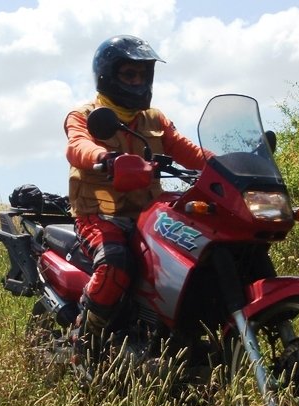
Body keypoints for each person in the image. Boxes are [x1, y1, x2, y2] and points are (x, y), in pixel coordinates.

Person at [64, 34, 209, 352]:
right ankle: (84, 338)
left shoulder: (154, 120)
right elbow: (78, 146)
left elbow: (191, 152)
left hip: (150, 214)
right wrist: (104, 157)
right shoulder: (85, 115)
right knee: (115, 264)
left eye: (143, 74)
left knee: (199, 251)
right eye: (129, 74)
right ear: (108, 75)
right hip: (100, 214)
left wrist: (229, 166)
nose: (138, 80)